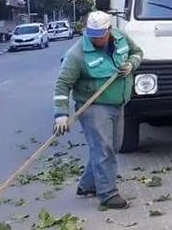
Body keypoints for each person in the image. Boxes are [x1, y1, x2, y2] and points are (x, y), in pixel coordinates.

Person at [53, 11, 143, 209]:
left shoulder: (121, 38)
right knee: (104, 149)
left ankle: (88, 185)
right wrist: (61, 114)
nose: (96, 40)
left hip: (118, 102)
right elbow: (62, 84)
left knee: (114, 147)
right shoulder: (77, 54)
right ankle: (108, 194)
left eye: (100, 36)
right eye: (92, 36)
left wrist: (131, 64)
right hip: (93, 106)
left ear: (109, 30)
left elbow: (137, 53)